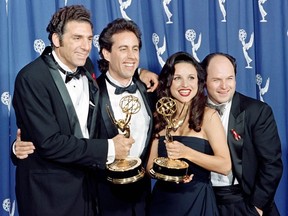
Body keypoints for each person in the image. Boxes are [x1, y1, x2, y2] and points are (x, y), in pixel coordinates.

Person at [11, 5, 157, 216]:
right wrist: (109, 148)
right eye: (77, 38)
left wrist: (139, 72)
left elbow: (116, 69)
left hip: (87, 191)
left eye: (89, 39)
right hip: (48, 194)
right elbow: (49, 143)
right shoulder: (31, 78)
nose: (85, 46)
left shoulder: (86, 67)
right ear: (56, 39)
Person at [147, 51, 231, 216]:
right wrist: (170, 175)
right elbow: (150, 167)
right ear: (168, 82)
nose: (185, 84)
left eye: (191, 78)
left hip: (198, 202)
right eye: (177, 78)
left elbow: (225, 166)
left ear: (199, 82)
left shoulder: (209, 116)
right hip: (163, 203)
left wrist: (187, 153)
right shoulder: (159, 117)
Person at [201, 52, 283, 216]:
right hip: (204, 200)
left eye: (229, 78)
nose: (224, 86)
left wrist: (257, 208)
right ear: (204, 81)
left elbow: (271, 164)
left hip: (243, 201)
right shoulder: (191, 112)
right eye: (217, 80)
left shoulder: (257, 112)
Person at [93, 18, 156, 216]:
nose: (131, 56)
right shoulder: (91, 93)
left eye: (135, 49)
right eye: (123, 49)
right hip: (103, 196)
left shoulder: (149, 90)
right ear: (106, 53)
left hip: (143, 196)